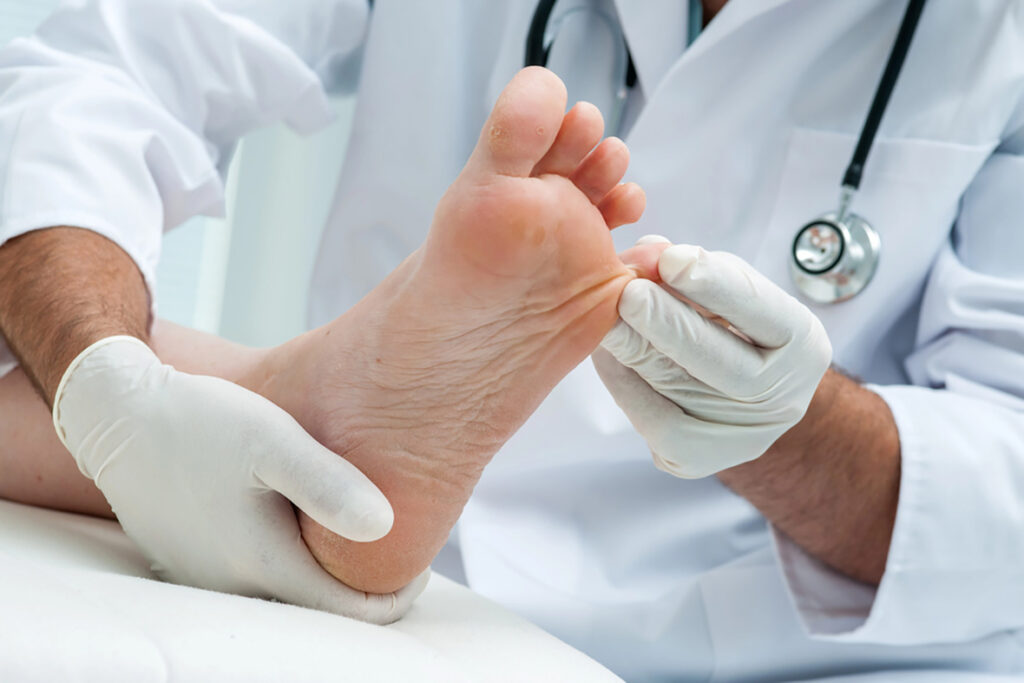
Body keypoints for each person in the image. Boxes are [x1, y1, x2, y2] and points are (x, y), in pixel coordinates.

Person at [1, 1, 1023, 680]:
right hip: (414, 570)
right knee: (66, 354)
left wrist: (781, 423)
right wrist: (101, 376)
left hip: (773, 642)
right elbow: (101, 60)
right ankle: (289, 400)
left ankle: (295, 406)